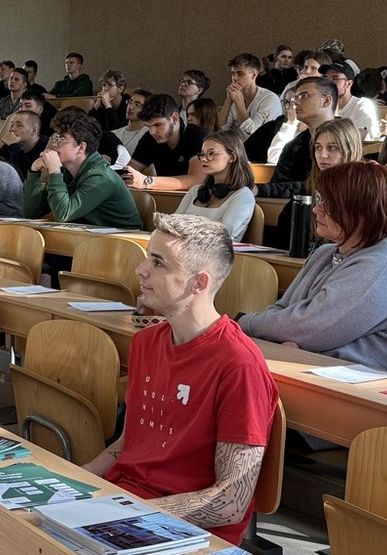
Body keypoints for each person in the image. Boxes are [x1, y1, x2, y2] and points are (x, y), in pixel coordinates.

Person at [83, 213, 278, 547]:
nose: (140, 270)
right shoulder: (146, 342)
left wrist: (122, 511)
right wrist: (71, 483)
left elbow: (230, 502)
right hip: (121, 504)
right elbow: (126, 445)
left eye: (158, 263)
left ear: (198, 283)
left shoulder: (239, 364)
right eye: (147, 257)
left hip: (184, 533)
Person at [239, 163, 387, 380]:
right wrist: (280, 337)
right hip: (333, 371)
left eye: (328, 203)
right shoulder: (325, 253)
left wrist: (243, 322)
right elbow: (283, 309)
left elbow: (307, 328)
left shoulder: (383, 263)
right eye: (320, 199)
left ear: (361, 210)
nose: (316, 209)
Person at [22, 111, 141, 228]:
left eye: (61, 140)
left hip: (123, 239)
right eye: (55, 138)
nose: (54, 145)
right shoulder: (66, 171)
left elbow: (63, 214)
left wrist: (54, 171)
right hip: (93, 237)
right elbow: (31, 213)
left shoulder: (101, 177)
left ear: (81, 147)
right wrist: (34, 171)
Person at [256, 77, 337, 197]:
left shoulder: (343, 139)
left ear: (326, 101)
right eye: (296, 98)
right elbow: (278, 183)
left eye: (304, 96)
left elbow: (327, 184)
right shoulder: (293, 145)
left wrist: (260, 190)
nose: (296, 103)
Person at [174, 130, 255, 241]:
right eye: (202, 154)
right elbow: (171, 226)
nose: (203, 158)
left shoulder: (243, 195)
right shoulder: (195, 191)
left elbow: (220, 234)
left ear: (232, 157)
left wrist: (182, 226)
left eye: (211, 154)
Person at [122, 93, 205, 191]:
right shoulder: (149, 138)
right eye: (148, 126)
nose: (152, 132)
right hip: (164, 198)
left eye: (157, 125)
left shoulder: (197, 135)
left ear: (174, 118)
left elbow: (196, 180)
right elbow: (128, 173)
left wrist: (147, 181)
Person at [218, 53, 282, 138]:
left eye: (240, 74)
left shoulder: (269, 99)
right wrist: (228, 101)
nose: (234, 78)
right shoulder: (234, 97)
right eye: (233, 74)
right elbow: (219, 131)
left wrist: (239, 103)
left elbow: (254, 135)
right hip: (236, 148)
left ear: (254, 74)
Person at [322, 61, 380, 140]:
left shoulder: (362, 104)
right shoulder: (322, 106)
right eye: (325, 78)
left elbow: (364, 134)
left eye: (335, 78)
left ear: (348, 84)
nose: (329, 83)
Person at [0, 110, 48, 180]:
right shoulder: (11, 143)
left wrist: (13, 146)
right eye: (12, 124)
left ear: (34, 131)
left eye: (19, 125)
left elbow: (26, 174)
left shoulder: (46, 147)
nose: (12, 129)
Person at [112, 89, 150, 156]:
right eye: (130, 102)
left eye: (137, 104)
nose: (130, 107)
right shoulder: (114, 134)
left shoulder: (149, 135)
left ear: (147, 109)